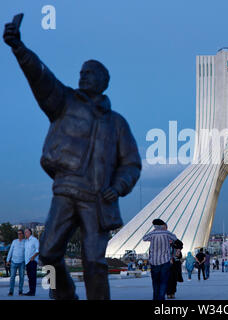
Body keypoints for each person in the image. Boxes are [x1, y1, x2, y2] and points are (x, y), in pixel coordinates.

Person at [3, 19, 142, 300]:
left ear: (104, 82)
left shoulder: (117, 124)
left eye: (90, 72)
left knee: (95, 263)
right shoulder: (64, 103)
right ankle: (65, 295)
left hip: (98, 199)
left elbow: (132, 163)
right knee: (48, 252)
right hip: (65, 191)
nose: (83, 75)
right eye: (81, 71)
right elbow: (40, 76)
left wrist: (118, 186)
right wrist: (18, 47)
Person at [143, 219, 177, 300]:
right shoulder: (166, 233)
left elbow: (144, 238)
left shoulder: (152, 234)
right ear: (162, 225)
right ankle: (161, 298)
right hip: (165, 261)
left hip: (154, 261)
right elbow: (175, 238)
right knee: (163, 281)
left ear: (154, 225)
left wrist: (154, 230)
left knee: (155, 281)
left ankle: (155, 298)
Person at [6, 229, 25, 296]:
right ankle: (11, 291)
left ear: (23, 234)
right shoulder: (14, 241)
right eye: (18, 234)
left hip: (22, 262)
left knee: (22, 277)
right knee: (12, 277)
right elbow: (10, 251)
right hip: (14, 262)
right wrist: (8, 260)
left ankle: (20, 291)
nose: (19, 235)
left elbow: (27, 252)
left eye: (20, 233)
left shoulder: (25, 242)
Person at [24, 228, 39, 296]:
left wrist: (33, 257)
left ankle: (33, 291)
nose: (25, 233)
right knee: (29, 277)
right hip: (27, 262)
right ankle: (31, 291)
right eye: (25, 232)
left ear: (30, 232)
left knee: (33, 277)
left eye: (26, 232)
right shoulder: (26, 241)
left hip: (32, 261)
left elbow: (38, 250)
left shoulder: (34, 240)